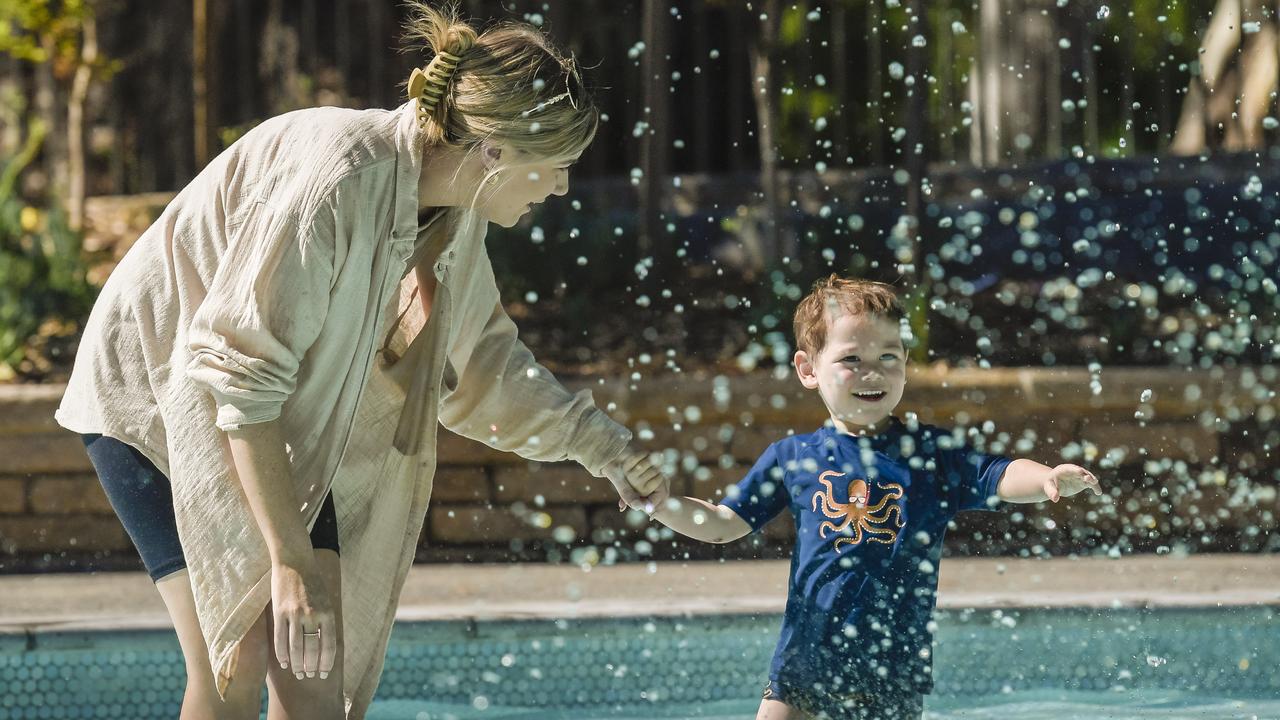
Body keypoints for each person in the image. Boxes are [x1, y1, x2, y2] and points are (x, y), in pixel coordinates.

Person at [55, 4, 666, 718]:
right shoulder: (340, 181)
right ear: (494, 152)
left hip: (266, 418)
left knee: (315, 671)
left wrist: (604, 450)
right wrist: (287, 560)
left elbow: (482, 364)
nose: (560, 189)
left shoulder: (451, 212)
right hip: (160, 394)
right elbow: (238, 376)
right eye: (554, 168)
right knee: (242, 656)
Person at [642, 276, 1102, 720]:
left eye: (887, 356)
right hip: (806, 662)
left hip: (893, 670)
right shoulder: (792, 457)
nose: (872, 371)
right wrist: (663, 505)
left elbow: (996, 474)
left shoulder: (930, 455)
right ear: (808, 369)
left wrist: (1046, 477)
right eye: (852, 358)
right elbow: (724, 522)